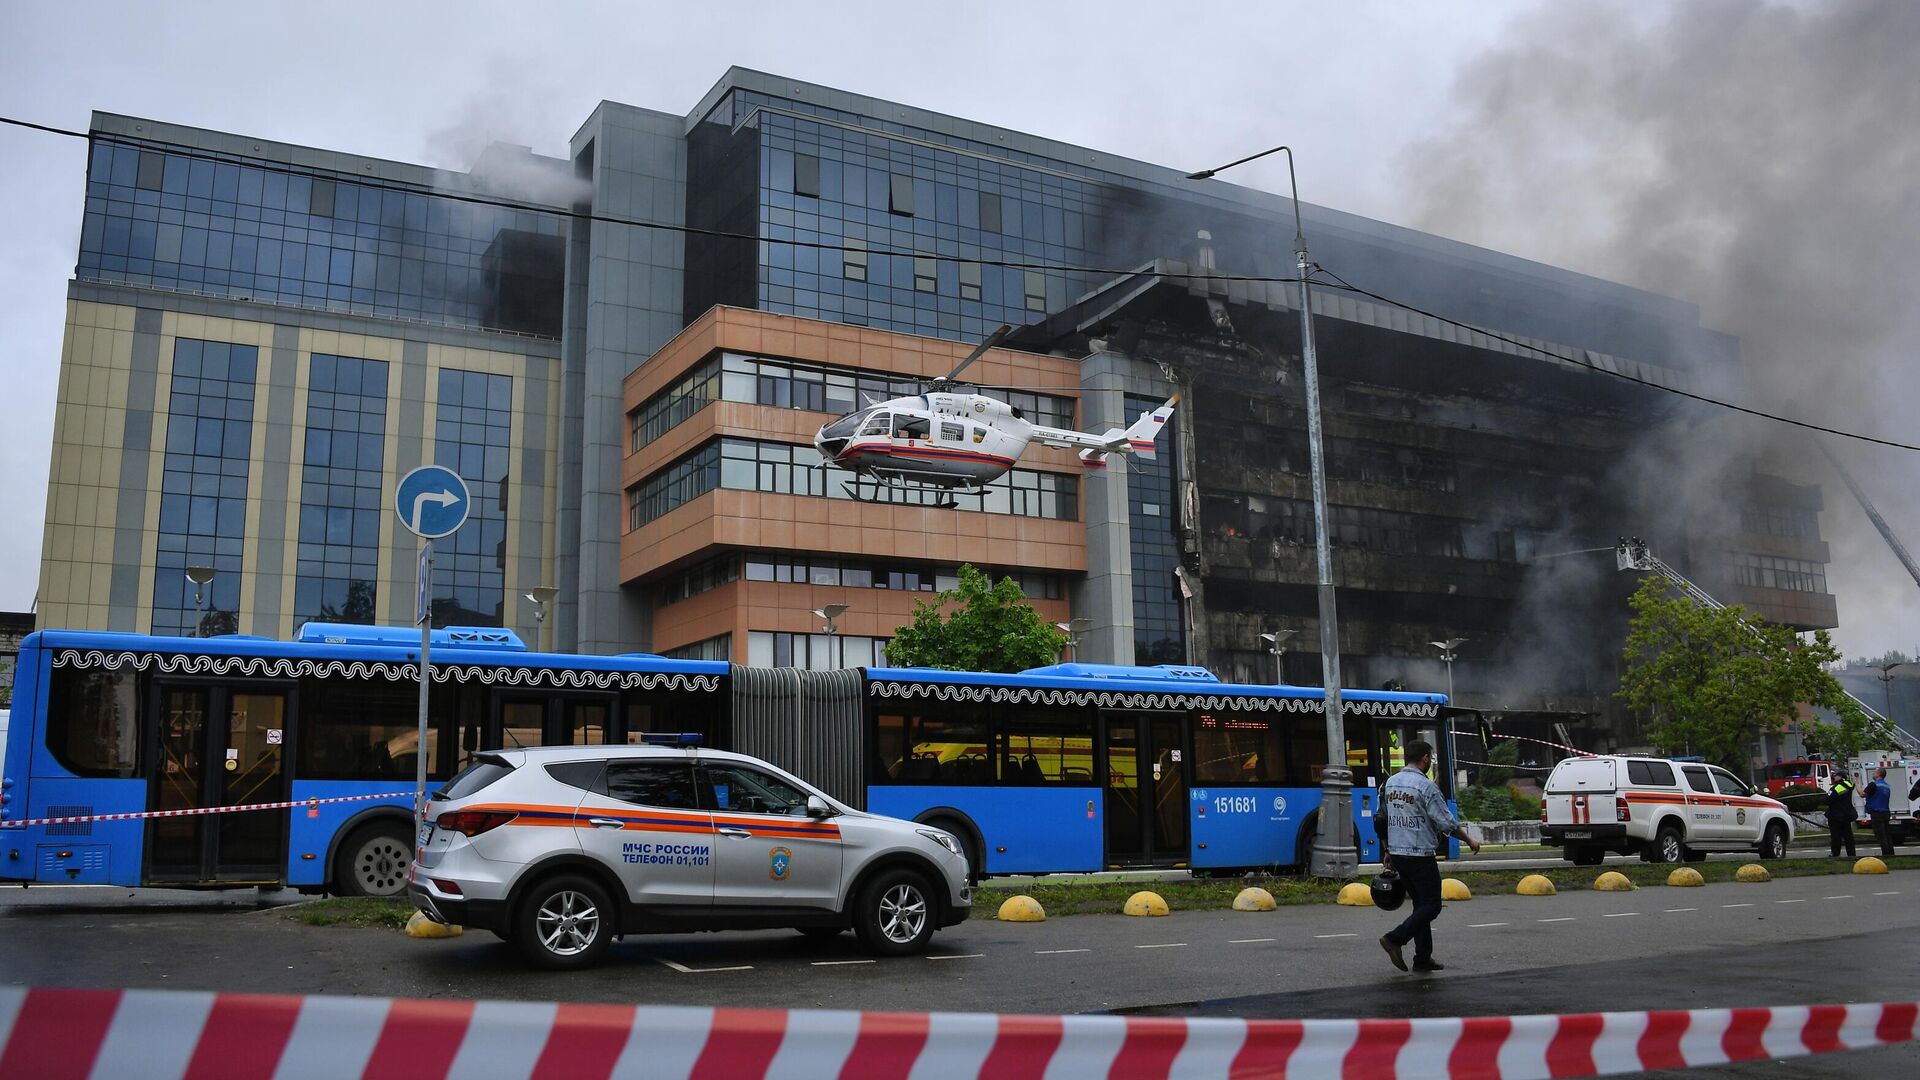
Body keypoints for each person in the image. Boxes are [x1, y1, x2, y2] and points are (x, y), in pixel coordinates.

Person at [1376, 739, 1481, 974]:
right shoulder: (1425, 786)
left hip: (1398, 854)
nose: (1430, 763)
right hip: (1420, 855)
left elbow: (1381, 820)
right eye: (1430, 759)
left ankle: (1422, 958)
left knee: (1420, 905)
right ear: (1424, 759)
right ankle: (1395, 939)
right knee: (1432, 906)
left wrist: (1387, 850)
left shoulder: (1390, 784)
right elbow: (1446, 822)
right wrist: (1469, 840)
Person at [1863, 767, 1895, 858]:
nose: (1873, 774)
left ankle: (1885, 854)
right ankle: (1891, 853)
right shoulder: (1886, 785)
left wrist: (1857, 784)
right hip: (1886, 811)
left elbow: (1862, 794)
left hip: (1877, 813)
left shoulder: (1873, 785)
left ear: (1879, 774)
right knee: (1887, 833)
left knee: (1880, 834)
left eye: (1874, 772)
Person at [1826, 769, 1858, 858]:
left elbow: (1828, 800)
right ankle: (1851, 854)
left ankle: (1835, 854)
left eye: (1835, 775)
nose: (1834, 777)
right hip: (1846, 814)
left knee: (1836, 836)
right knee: (1848, 836)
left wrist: (1827, 795)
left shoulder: (1837, 788)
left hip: (1836, 815)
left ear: (1840, 777)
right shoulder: (1849, 784)